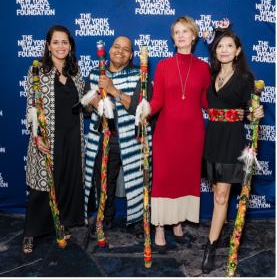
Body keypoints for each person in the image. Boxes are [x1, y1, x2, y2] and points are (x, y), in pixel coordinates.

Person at [143, 16, 211, 252]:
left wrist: (232, 112)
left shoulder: (204, 68)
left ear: (194, 36)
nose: (181, 35)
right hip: (167, 133)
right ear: (173, 38)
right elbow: (158, 100)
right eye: (177, 32)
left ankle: (178, 222)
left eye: (185, 31)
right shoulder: (163, 66)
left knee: (185, 177)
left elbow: (207, 102)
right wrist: (144, 112)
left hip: (193, 135)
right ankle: (160, 226)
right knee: (164, 178)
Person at [201, 26, 264, 273]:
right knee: (218, 190)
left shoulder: (245, 78)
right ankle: (223, 230)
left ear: (237, 51)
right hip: (213, 138)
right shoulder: (211, 75)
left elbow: (252, 109)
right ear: (215, 51)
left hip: (231, 139)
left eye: (229, 46)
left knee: (221, 196)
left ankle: (210, 246)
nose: (224, 50)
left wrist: (256, 112)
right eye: (220, 46)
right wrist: (216, 30)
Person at [23, 25, 85, 254]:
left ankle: (59, 225)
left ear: (70, 46)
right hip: (47, 137)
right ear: (48, 46)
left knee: (65, 182)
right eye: (56, 42)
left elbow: (83, 106)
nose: (61, 46)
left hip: (72, 138)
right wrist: (37, 136)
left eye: (65, 42)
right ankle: (30, 232)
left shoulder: (75, 72)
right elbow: (31, 108)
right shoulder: (37, 71)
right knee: (41, 188)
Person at [84, 36, 152, 237]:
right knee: (104, 181)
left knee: (139, 180)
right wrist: (93, 101)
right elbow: (86, 108)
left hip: (132, 140)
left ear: (131, 55)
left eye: (125, 49)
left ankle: (138, 220)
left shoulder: (140, 76)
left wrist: (113, 90)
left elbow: (140, 109)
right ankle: (104, 218)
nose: (120, 51)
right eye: (116, 47)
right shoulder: (96, 73)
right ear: (109, 50)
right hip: (104, 138)